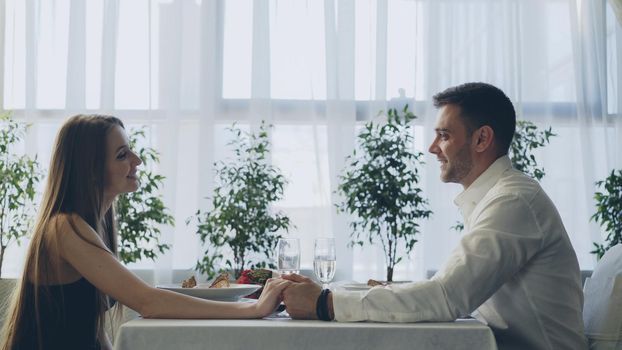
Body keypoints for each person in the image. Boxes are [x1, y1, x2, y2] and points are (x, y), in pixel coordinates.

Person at [281, 82, 587, 350]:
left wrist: (325, 302)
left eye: (443, 135)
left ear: (482, 139)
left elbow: (446, 296)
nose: (432, 148)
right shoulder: (499, 197)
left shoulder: (512, 201)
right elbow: (451, 289)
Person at [0, 115, 290, 350]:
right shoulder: (64, 227)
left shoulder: (89, 227)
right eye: (122, 154)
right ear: (91, 170)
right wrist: (251, 310)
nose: (136, 161)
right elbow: (148, 302)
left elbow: (93, 331)